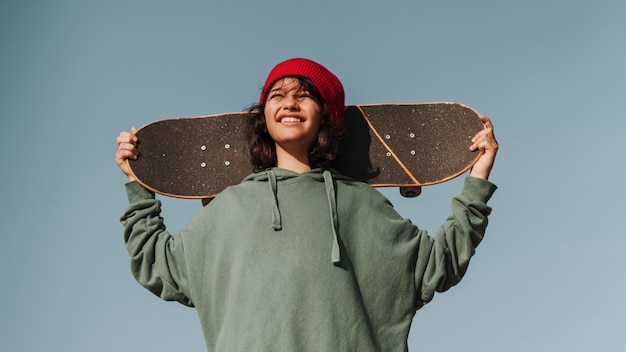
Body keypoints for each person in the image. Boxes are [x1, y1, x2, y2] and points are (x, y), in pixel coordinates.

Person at [116, 58, 498, 351]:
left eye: (304, 95)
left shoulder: (359, 204)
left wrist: (476, 181)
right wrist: (139, 181)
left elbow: (435, 265)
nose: (290, 103)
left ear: (325, 117)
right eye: (277, 96)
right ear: (263, 117)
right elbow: (157, 261)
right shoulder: (231, 208)